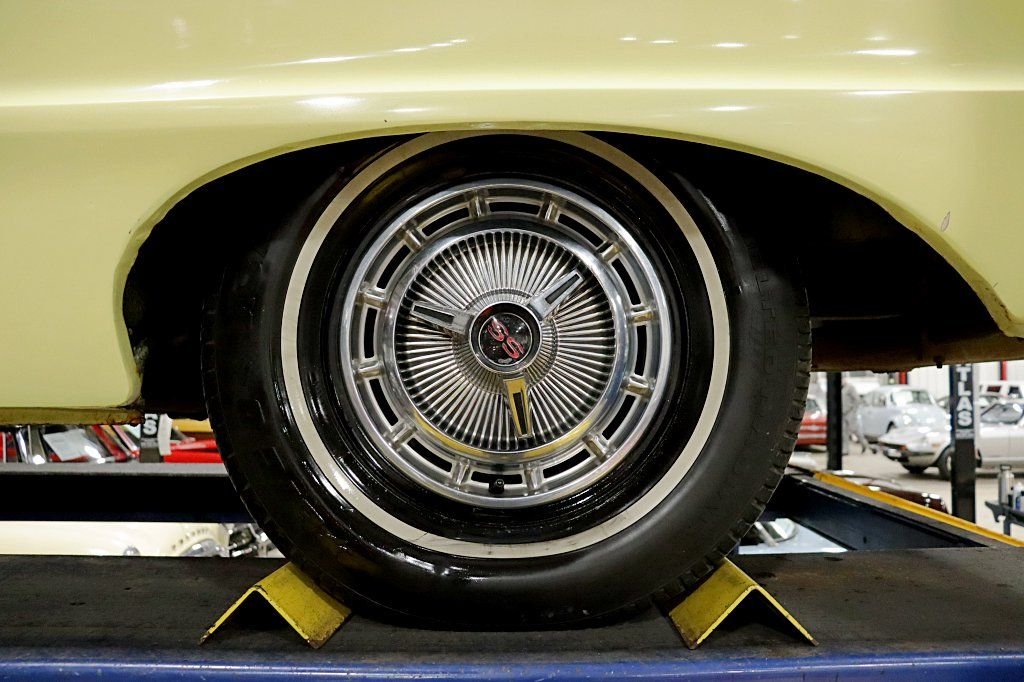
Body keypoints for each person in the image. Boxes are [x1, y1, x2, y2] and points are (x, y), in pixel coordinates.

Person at [841, 377, 861, 455]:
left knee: (855, 430)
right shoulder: (841, 389)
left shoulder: (850, 388)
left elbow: (857, 400)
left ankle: (865, 444)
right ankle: (845, 450)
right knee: (844, 433)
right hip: (843, 414)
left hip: (850, 413)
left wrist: (853, 411)